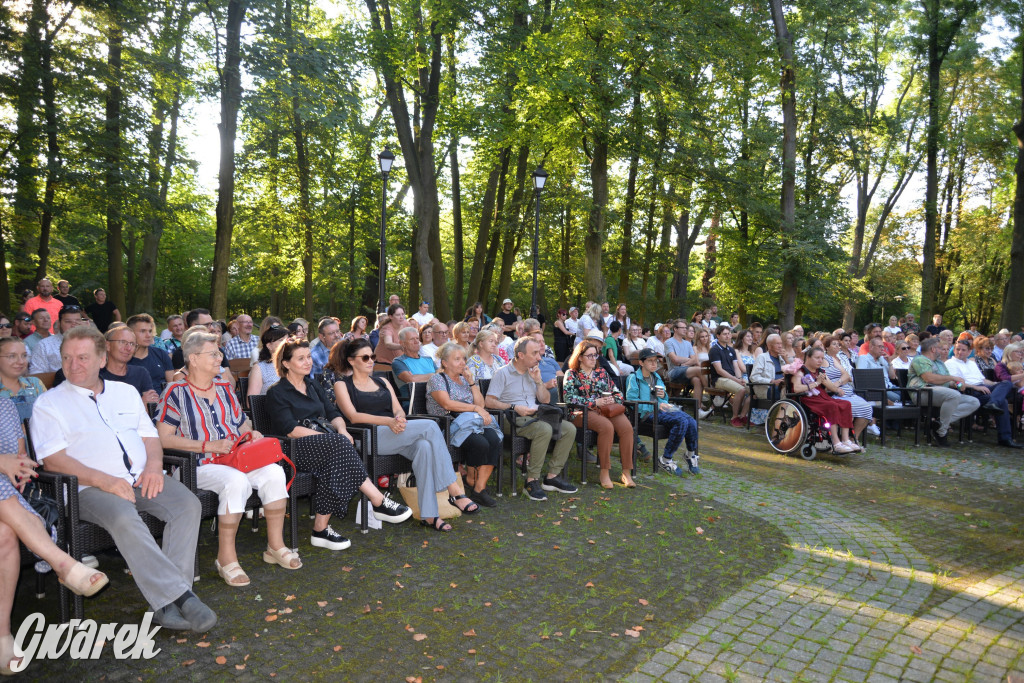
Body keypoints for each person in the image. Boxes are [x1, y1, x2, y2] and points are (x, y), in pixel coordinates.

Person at [32, 325, 217, 632]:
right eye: (67, 358)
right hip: (87, 489)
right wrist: (104, 480)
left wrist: (155, 467)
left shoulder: (125, 392)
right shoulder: (49, 403)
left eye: (82, 357)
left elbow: (150, 438)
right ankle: (182, 597)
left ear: (102, 359)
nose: (73, 365)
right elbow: (53, 459)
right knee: (124, 516)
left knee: (186, 504)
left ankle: (166, 602)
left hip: (141, 478)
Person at [157, 330, 301, 587]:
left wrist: (250, 432)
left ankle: (275, 546)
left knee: (275, 473)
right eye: (212, 354)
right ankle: (226, 558)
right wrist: (206, 445)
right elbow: (163, 438)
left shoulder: (224, 388)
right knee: (236, 482)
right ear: (193, 358)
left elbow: (240, 423)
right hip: (196, 464)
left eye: (219, 352)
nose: (219, 358)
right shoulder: (175, 392)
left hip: (234, 458)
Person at [0, 395, 110, 674]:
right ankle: (64, 563)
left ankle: (1, 633)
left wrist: (20, 469)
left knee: (3, 535)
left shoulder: (4, 403)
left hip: (8, 504)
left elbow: (19, 454)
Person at [266, 339, 412, 550]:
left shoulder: (313, 385)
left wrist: (342, 430)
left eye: (308, 357)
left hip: (326, 446)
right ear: (286, 363)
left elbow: (333, 414)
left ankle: (321, 530)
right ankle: (378, 500)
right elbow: (290, 429)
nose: (308, 362)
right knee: (339, 447)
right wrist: (331, 438)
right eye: (301, 358)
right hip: (294, 449)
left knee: (337, 458)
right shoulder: (277, 392)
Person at [334, 339, 476, 532]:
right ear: (351, 361)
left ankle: (429, 514)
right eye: (365, 357)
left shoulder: (382, 382)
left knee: (425, 447)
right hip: (369, 436)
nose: (370, 361)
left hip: (395, 432)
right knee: (431, 426)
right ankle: (454, 491)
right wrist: (389, 422)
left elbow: (398, 410)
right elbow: (353, 416)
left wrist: (399, 420)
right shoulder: (342, 385)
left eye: (373, 356)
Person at [485, 336, 578, 501]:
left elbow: (545, 400)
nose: (539, 357)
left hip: (534, 415)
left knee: (569, 429)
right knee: (544, 429)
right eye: (534, 353)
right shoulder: (503, 373)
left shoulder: (533, 372)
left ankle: (551, 477)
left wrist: (538, 381)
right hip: (510, 417)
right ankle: (531, 481)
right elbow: (489, 401)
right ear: (521, 355)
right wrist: (514, 407)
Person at [426, 342, 502, 508]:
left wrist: (472, 382)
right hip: (448, 425)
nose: (463, 363)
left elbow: (481, 405)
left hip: (471, 423)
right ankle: (471, 480)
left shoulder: (464, 380)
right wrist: (475, 408)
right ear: (444, 362)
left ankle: (479, 489)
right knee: (480, 443)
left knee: (494, 439)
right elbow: (447, 404)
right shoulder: (437, 379)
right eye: (457, 359)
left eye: (464, 359)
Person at [562, 341, 635, 489]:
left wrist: (611, 399)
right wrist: (595, 402)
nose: (593, 358)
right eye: (589, 355)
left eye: (595, 355)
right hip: (581, 412)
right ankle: (604, 472)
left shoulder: (601, 372)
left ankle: (626, 472)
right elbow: (569, 399)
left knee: (627, 427)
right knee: (606, 427)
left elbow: (618, 393)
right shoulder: (571, 374)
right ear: (580, 357)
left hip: (606, 409)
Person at [625, 348, 699, 475]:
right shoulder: (634, 378)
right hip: (646, 414)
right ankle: (666, 459)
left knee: (691, 421)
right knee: (681, 421)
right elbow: (632, 400)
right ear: (641, 363)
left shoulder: (656, 377)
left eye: (656, 361)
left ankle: (690, 454)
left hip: (660, 411)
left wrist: (662, 397)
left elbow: (663, 398)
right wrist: (656, 405)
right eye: (650, 361)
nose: (654, 364)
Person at [946, 339, 1020, 448]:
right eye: (957, 349)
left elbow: (984, 380)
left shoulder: (971, 363)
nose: (960, 352)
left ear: (969, 351)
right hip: (970, 391)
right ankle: (1005, 438)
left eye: (963, 350)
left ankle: (992, 403)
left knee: (1006, 383)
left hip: (983, 388)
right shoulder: (950, 363)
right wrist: (975, 387)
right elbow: (955, 383)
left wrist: (997, 385)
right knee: (1002, 401)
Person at [907, 337, 981, 446]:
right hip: (922, 393)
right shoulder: (920, 360)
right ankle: (941, 432)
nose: (943, 350)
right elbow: (929, 378)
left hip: (942, 394)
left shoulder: (940, 363)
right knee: (953, 395)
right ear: (933, 349)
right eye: (940, 348)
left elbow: (947, 381)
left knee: (974, 402)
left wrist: (959, 384)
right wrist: (953, 378)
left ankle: (939, 423)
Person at [789, 347, 860, 453]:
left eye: (822, 358)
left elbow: (829, 385)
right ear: (808, 357)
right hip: (807, 399)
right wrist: (817, 383)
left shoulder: (820, 372)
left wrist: (837, 389)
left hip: (822, 397)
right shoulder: (800, 370)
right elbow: (797, 389)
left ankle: (845, 440)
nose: (820, 360)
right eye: (817, 358)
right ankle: (836, 443)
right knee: (832, 405)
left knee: (846, 404)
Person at [823, 335, 872, 444]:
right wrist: (837, 385)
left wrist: (838, 382)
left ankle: (854, 439)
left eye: (837, 344)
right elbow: (826, 381)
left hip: (847, 390)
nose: (837, 347)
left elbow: (847, 375)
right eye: (834, 344)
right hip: (835, 393)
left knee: (867, 408)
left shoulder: (838, 359)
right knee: (850, 407)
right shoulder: (824, 359)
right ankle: (844, 439)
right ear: (826, 347)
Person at [97, 327, 159, 402]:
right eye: (122, 342)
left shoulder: (140, 373)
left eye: (132, 344)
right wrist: (141, 402)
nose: (128, 348)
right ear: (108, 345)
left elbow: (151, 404)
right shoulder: (97, 376)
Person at [708, 325, 749, 427]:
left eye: (729, 334)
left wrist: (740, 379)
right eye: (724, 334)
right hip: (719, 379)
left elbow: (736, 367)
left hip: (732, 378)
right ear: (718, 336)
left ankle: (742, 415)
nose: (728, 336)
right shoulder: (714, 350)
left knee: (754, 389)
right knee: (741, 390)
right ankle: (734, 417)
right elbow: (719, 370)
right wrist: (736, 380)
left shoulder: (731, 350)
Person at [126, 313, 174, 395]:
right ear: (130, 333)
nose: (148, 335)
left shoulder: (161, 354)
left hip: (163, 403)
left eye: (150, 331)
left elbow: (172, 386)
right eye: (142, 331)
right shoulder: (123, 359)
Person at [29, 305, 86, 374]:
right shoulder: (44, 345)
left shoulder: (90, 344)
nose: (73, 325)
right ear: (59, 323)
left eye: (77, 321)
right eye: (68, 322)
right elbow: (36, 374)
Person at [0, 337, 44, 420]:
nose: (21, 361)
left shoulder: (34, 384)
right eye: (12, 356)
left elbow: (48, 416)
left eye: (24, 355)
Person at [392, 327, 437, 405]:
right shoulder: (398, 362)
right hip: (414, 403)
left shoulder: (429, 359)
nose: (416, 341)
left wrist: (418, 377)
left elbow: (442, 376)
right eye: (412, 339)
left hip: (435, 399)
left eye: (417, 338)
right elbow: (411, 379)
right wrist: (433, 375)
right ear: (402, 343)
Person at [749, 334, 786, 426]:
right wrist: (771, 381)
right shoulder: (762, 357)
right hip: (767, 389)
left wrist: (786, 359)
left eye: (781, 343)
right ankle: (782, 421)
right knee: (789, 393)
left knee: (795, 391)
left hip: (781, 387)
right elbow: (754, 377)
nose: (780, 346)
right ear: (769, 346)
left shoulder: (781, 358)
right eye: (777, 344)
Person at [856, 337, 900, 404]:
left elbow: (892, 377)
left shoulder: (882, 359)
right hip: (878, 390)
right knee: (897, 397)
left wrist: (889, 362)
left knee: (906, 393)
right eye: (880, 347)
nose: (882, 349)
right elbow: (861, 378)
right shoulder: (863, 358)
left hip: (889, 386)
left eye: (883, 347)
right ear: (871, 347)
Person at [247, 326, 289, 397]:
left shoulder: (293, 364)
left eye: (288, 340)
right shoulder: (260, 368)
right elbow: (251, 401)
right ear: (269, 346)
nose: (286, 343)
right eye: (281, 340)